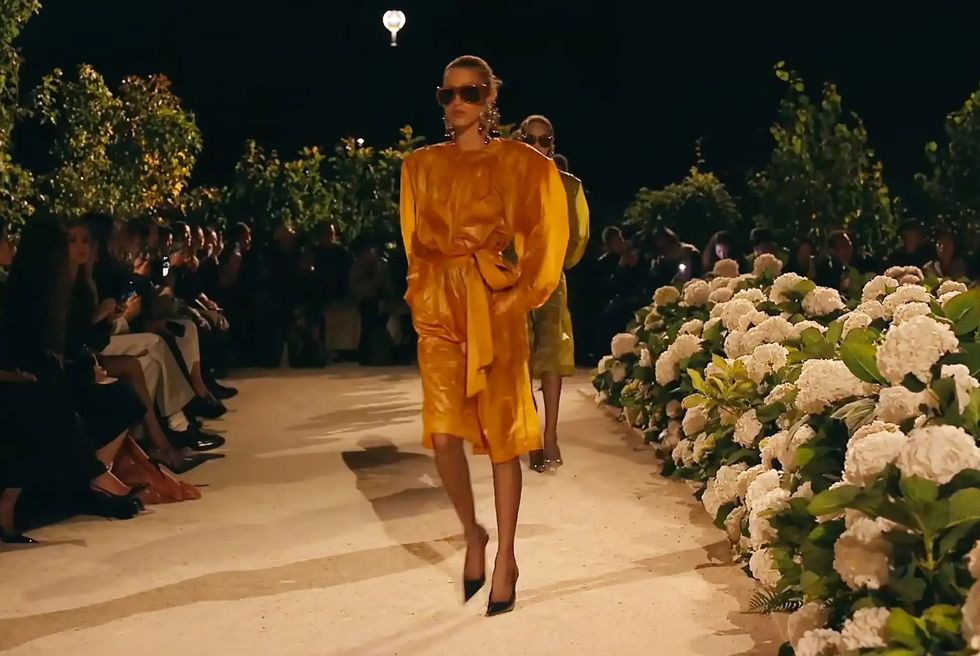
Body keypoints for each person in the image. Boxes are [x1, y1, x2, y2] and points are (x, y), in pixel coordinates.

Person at [401, 55, 568, 615]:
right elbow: (413, 244)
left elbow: (548, 226)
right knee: (443, 434)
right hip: (440, 307)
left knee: (502, 433)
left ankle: (507, 558)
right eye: (446, 94)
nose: (456, 103)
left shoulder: (517, 163)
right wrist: (421, 297)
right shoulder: (420, 165)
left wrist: (522, 294)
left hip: (492, 302)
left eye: (469, 93)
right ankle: (473, 533)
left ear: (489, 98)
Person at [517, 114, 590, 472]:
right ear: (520, 142)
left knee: (552, 355)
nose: (537, 147)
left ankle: (550, 435)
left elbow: (578, 237)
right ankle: (532, 433)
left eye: (543, 140)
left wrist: (555, 265)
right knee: (518, 358)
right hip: (511, 281)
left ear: (552, 145)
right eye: (530, 140)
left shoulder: (569, 186)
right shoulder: (506, 183)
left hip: (550, 280)